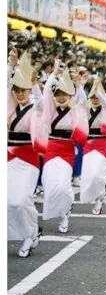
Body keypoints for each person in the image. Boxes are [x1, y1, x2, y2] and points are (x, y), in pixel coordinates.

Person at [39, 60, 89, 234]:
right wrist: (53, 74)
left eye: (65, 94)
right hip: (51, 148)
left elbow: (82, 101)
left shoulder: (75, 109)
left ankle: (65, 212)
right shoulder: (50, 108)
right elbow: (45, 92)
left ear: (70, 95)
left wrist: (77, 84)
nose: (61, 97)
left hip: (67, 149)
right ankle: (60, 213)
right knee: (50, 184)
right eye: (58, 94)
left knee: (63, 186)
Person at [7, 50, 43, 257]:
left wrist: (35, 82)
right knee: (10, 201)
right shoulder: (10, 108)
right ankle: (30, 232)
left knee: (21, 200)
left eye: (24, 90)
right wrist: (11, 66)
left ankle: (30, 234)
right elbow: (5, 87)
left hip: (28, 159)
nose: (20, 94)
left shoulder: (35, 107)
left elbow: (42, 101)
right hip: (9, 158)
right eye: (16, 90)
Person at [80, 78, 106, 215]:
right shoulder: (86, 109)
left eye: (96, 96)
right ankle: (98, 195)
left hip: (101, 144)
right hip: (88, 145)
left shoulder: (105, 108)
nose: (94, 99)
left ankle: (100, 196)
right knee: (88, 175)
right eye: (91, 97)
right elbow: (80, 100)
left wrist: (97, 89)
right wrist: (79, 85)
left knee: (97, 174)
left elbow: (104, 101)